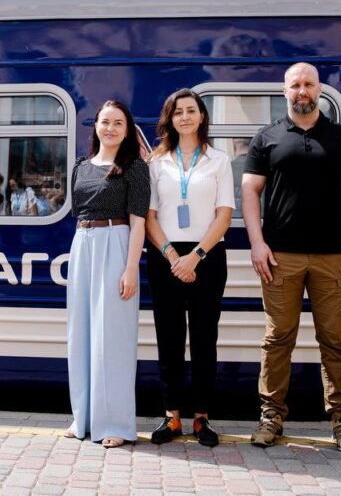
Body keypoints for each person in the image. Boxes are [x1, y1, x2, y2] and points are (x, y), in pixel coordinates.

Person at [242, 62, 341, 454]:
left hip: (334, 257)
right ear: (285, 91)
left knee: (334, 340)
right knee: (278, 339)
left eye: (309, 84)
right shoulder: (266, 138)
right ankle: (271, 417)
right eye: (295, 84)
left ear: (320, 91)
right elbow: (250, 193)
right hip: (279, 256)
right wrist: (257, 243)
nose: (302, 91)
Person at [144, 89, 234, 447]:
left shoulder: (218, 160)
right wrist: (171, 255)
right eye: (178, 112)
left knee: (203, 339)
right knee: (168, 339)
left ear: (201, 117)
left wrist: (195, 256)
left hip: (207, 255)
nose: (184, 117)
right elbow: (149, 216)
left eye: (191, 111)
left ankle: (202, 418)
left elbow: (224, 214)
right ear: (170, 119)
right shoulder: (156, 162)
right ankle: (172, 418)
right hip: (165, 256)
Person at [66, 99, 150, 448]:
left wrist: (131, 268)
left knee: (112, 337)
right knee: (81, 333)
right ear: (96, 126)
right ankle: (82, 418)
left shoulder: (134, 168)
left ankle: (115, 424)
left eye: (118, 123)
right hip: (82, 243)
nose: (111, 128)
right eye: (105, 121)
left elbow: (139, 222)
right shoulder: (81, 166)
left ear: (127, 130)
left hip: (117, 242)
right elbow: (76, 209)